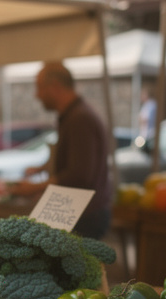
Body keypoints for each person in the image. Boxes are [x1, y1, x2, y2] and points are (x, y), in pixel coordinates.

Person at [24, 61, 113, 239]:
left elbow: (79, 174)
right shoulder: (74, 116)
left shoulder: (79, 119)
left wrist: (34, 187)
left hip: (85, 215)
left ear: (55, 86)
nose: (37, 95)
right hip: (82, 212)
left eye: (40, 88)